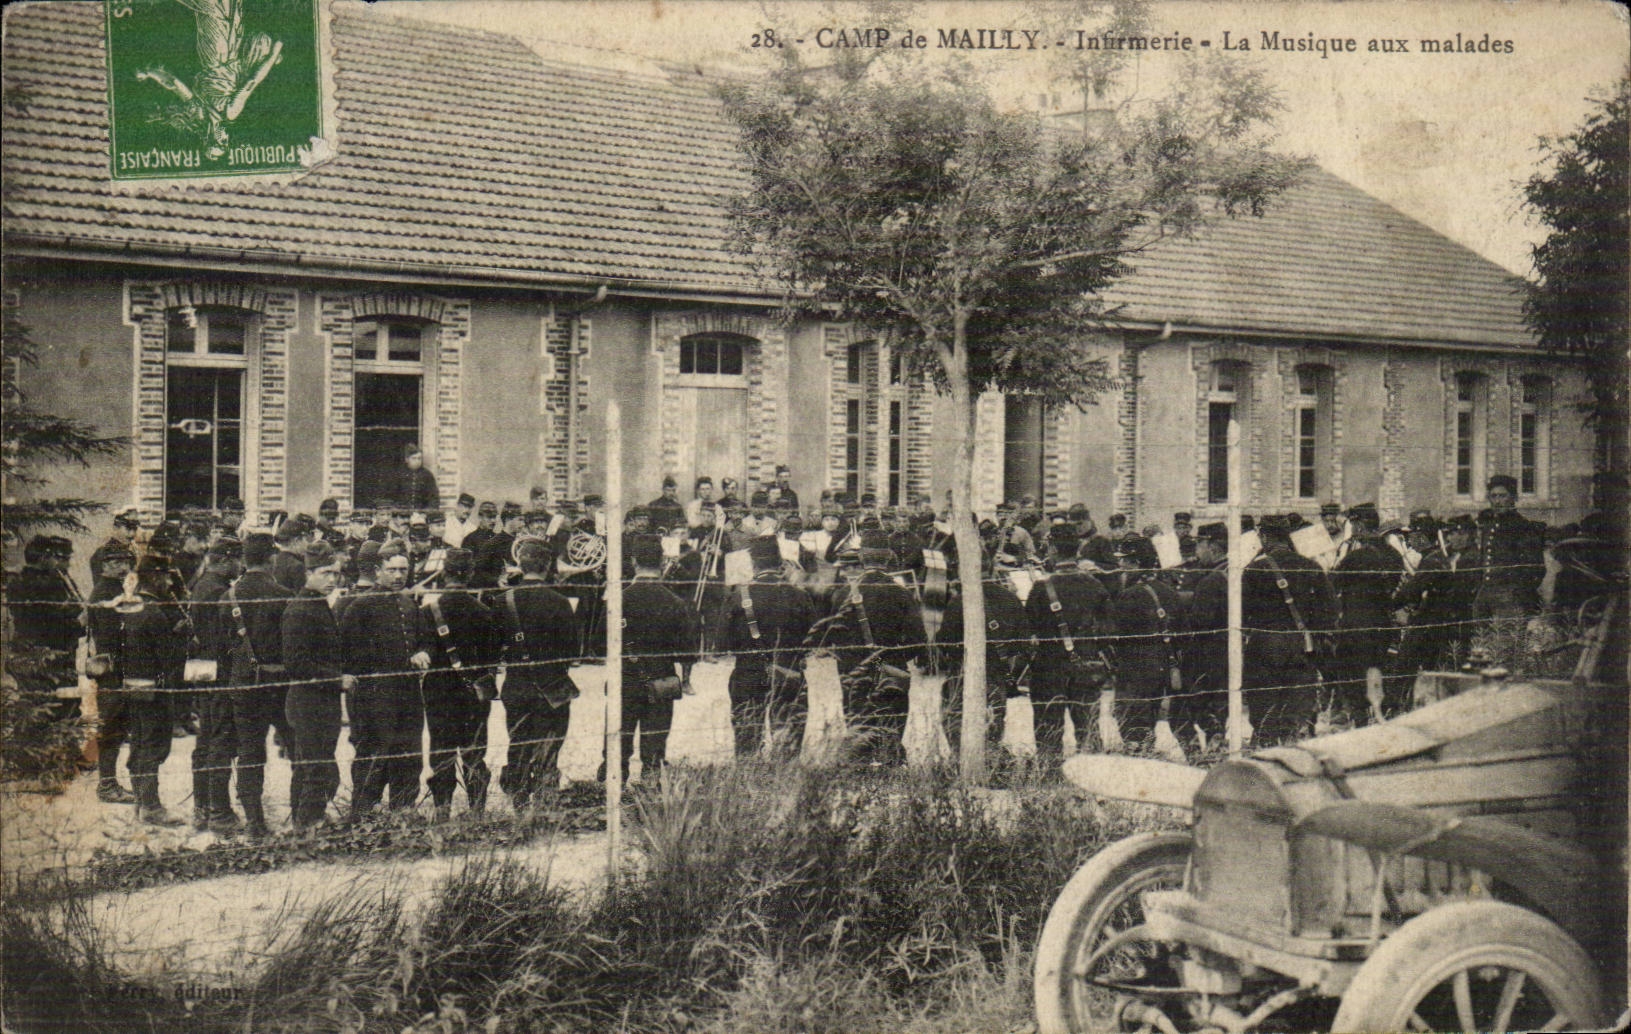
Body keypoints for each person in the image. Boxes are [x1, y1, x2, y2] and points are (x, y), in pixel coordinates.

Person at [806, 534, 927, 763]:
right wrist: (892, 658)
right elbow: (917, 641)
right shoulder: (902, 593)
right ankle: (889, 764)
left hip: (854, 670)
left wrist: (853, 659)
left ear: (861, 558)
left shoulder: (843, 594)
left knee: (858, 726)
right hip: (891, 668)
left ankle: (860, 766)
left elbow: (832, 638)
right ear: (889, 558)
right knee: (891, 722)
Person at [340, 548, 430, 819]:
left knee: (409, 749)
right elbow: (349, 652)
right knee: (374, 750)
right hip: (375, 692)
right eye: (392, 570)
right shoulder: (361, 606)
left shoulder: (409, 604)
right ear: (378, 571)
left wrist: (423, 652)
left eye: (403, 570)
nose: (398, 576)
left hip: (408, 691)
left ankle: (403, 807)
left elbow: (423, 639)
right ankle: (364, 810)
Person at [495, 538, 581, 809]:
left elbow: (495, 646)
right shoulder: (560, 602)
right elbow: (572, 651)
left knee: (518, 741)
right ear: (547, 566)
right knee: (549, 746)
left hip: (516, 684)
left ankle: (519, 802)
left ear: (521, 565)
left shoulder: (503, 600)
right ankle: (545, 802)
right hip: (552, 686)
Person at [715, 535, 816, 757]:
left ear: (753, 564)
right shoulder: (800, 596)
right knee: (788, 745)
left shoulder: (737, 597)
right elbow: (813, 641)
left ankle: (750, 775)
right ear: (781, 563)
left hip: (748, 673)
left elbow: (722, 646)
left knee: (747, 743)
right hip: (789, 672)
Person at [1241, 514, 1338, 743]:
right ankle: (1292, 744)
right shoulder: (1311, 566)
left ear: (1265, 537)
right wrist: (1315, 634)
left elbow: (1243, 613)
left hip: (1265, 645)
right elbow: (1331, 609)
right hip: (1302, 645)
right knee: (1296, 706)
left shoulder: (1255, 569)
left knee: (1265, 705)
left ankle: (1266, 746)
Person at [420, 549, 500, 822]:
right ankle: (476, 812)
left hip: (438, 693)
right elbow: (492, 658)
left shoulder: (428, 612)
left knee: (441, 751)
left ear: (444, 574)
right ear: (471, 574)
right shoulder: (484, 612)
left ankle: (442, 811)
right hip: (474, 693)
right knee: (474, 752)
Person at [1025, 525, 1112, 765]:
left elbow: (1029, 629)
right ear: (1077, 550)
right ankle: (1092, 773)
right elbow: (1107, 629)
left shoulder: (1041, 588)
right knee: (1089, 729)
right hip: (1086, 664)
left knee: (1048, 731)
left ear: (1053, 549)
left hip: (1049, 668)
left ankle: (1049, 775)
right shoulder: (1095, 585)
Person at [616, 534, 700, 782]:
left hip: (624, 680)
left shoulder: (619, 599)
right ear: (662, 561)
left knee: (617, 748)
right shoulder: (675, 602)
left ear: (633, 561)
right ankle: (649, 797)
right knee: (654, 752)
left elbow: (598, 645)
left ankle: (611, 794)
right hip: (661, 681)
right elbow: (687, 652)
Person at [937, 542, 1032, 761]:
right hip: (998, 672)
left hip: (962, 673)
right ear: (991, 568)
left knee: (956, 719)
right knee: (993, 721)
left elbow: (944, 642)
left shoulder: (959, 601)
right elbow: (1024, 642)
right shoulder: (1010, 598)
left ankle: (961, 763)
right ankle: (990, 763)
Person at [223, 532, 290, 839]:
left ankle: (254, 821)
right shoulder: (283, 595)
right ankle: (304, 815)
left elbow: (223, 645)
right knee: (297, 746)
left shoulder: (228, 597)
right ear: (272, 559)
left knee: (249, 752)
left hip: (243, 684)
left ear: (244, 560)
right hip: (279, 684)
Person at [281, 541, 348, 832]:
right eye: (325, 573)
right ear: (308, 573)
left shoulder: (318, 605)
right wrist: (337, 679)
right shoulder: (300, 610)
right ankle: (308, 825)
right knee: (318, 769)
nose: (332, 579)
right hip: (309, 701)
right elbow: (296, 664)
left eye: (335, 573)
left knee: (310, 766)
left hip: (320, 701)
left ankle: (302, 820)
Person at [121, 556, 191, 826]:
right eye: (166, 577)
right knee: (154, 745)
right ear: (154, 577)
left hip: (133, 685)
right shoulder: (154, 612)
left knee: (139, 742)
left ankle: (141, 802)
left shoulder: (130, 606)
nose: (170, 583)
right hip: (155, 688)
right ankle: (151, 807)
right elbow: (168, 657)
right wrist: (181, 636)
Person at [1109, 535, 1187, 747]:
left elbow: (1117, 634)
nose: (1121, 565)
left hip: (1136, 667)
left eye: (1124, 560)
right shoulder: (1170, 592)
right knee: (1151, 715)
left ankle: (1140, 753)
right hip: (1165, 665)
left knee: (1133, 722)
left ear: (1135, 563)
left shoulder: (1129, 595)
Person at [1329, 502, 1405, 718]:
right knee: (1377, 670)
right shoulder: (1394, 555)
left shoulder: (1355, 557)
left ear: (1360, 526)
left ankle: (1359, 719)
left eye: (1353, 525)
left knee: (1353, 677)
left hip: (1355, 626)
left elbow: (1333, 584)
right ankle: (1381, 714)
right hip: (1382, 624)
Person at [188, 536, 243, 834]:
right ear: (226, 560)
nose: (240, 565)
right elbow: (224, 640)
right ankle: (218, 811)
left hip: (202, 669)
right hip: (219, 672)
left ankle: (202, 807)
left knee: (205, 740)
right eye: (237, 560)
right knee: (220, 740)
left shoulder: (201, 585)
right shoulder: (219, 592)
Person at [86, 543, 137, 803]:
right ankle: (106, 785)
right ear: (104, 565)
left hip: (119, 667)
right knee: (111, 726)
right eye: (115, 562)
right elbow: (112, 635)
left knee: (117, 726)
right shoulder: (105, 592)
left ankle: (109, 783)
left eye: (125, 562)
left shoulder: (117, 589)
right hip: (112, 669)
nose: (122, 567)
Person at [1180, 522, 1230, 740]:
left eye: (1199, 544)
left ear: (1212, 547)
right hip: (1230, 648)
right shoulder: (1234, 572)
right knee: (1220, 703)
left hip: (1208, 652)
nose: (1197, 551)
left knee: (1195, 705)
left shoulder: (1211, 580)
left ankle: (1208, 741)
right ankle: (1216, 740)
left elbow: (1200, 620)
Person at [1473, 474, 1547, 623]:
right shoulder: (1489, 526)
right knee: (1480, 635)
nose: (1497, 501)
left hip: (1510, 599)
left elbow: (1536, 568)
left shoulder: (1524, 527)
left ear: (1514, 497)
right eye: (1493, 496)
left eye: (1502, 496)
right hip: (1485, 595)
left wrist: (1517, 593)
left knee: (1508, 636)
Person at [397, 444, 441, 513]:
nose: (417, 461)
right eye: (414, 458)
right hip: (402, 514)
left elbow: (434, 498)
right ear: (407, 459)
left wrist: (427, 512)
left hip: (421, 514)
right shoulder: (399, 474)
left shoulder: (427, 475)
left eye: (419, 458)